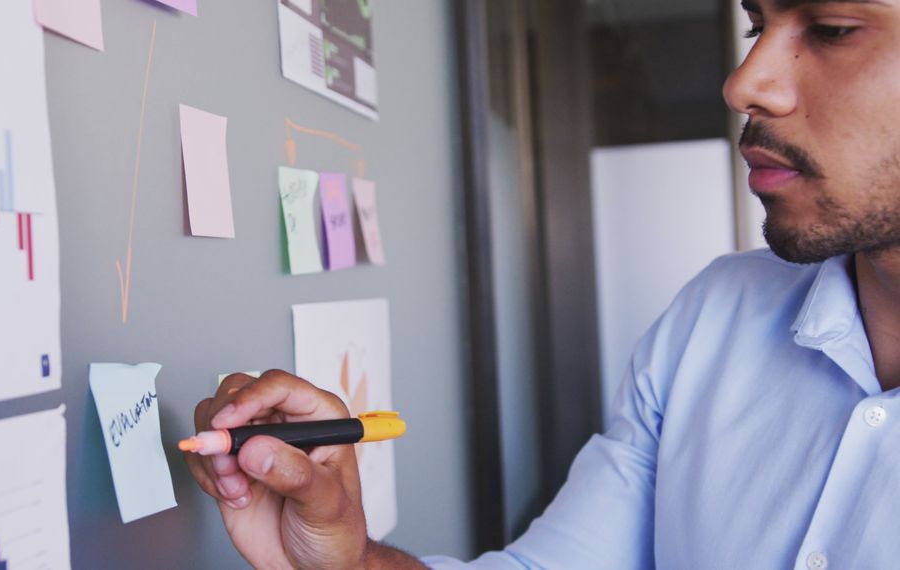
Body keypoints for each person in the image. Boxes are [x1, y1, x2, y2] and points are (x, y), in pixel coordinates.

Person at [184, 0, 900, 566]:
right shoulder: (717, 315)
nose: (744, 81)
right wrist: (349, 562)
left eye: (833, 27)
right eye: (756, 24)